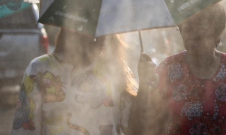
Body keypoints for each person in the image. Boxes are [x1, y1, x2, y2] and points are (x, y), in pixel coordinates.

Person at [11, 28, 155, 135]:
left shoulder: (114, 69)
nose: (103, 37)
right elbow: (24, 130)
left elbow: (135, 130)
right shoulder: (40, 69)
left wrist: (144, 86)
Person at [149, 4, 226, 135]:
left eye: (201, 30)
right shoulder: (168, 69)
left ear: (217, 33)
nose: (193, 35)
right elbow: (154, 125)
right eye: (187, 29)